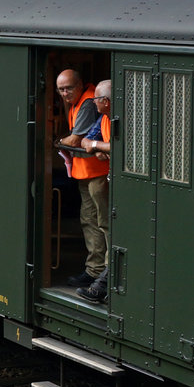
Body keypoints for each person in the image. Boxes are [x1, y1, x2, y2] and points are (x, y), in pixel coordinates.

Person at [55, 70, 108, 287]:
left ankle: (102, 275)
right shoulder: (84, 102)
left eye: (69, 88)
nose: (65, 93)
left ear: (81, 85)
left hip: (98, 173)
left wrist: (60, 140)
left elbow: (76, 141)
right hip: (86, 171)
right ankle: (94, 270)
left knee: (102, 222)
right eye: (61, 90)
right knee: (89, 220)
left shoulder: (89, 102)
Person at [76, 81, 113, 302]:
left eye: (96, 100)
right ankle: (102, 279)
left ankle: (104, 282)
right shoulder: (104, 118)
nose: (93, 103)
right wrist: (99, 145)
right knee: (103, 224)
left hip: (109, 180)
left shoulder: (119, 116)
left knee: (109, 227)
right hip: (108, 176)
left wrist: (99, 146)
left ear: (105, 102)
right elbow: (86, 139)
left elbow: (123, 145)